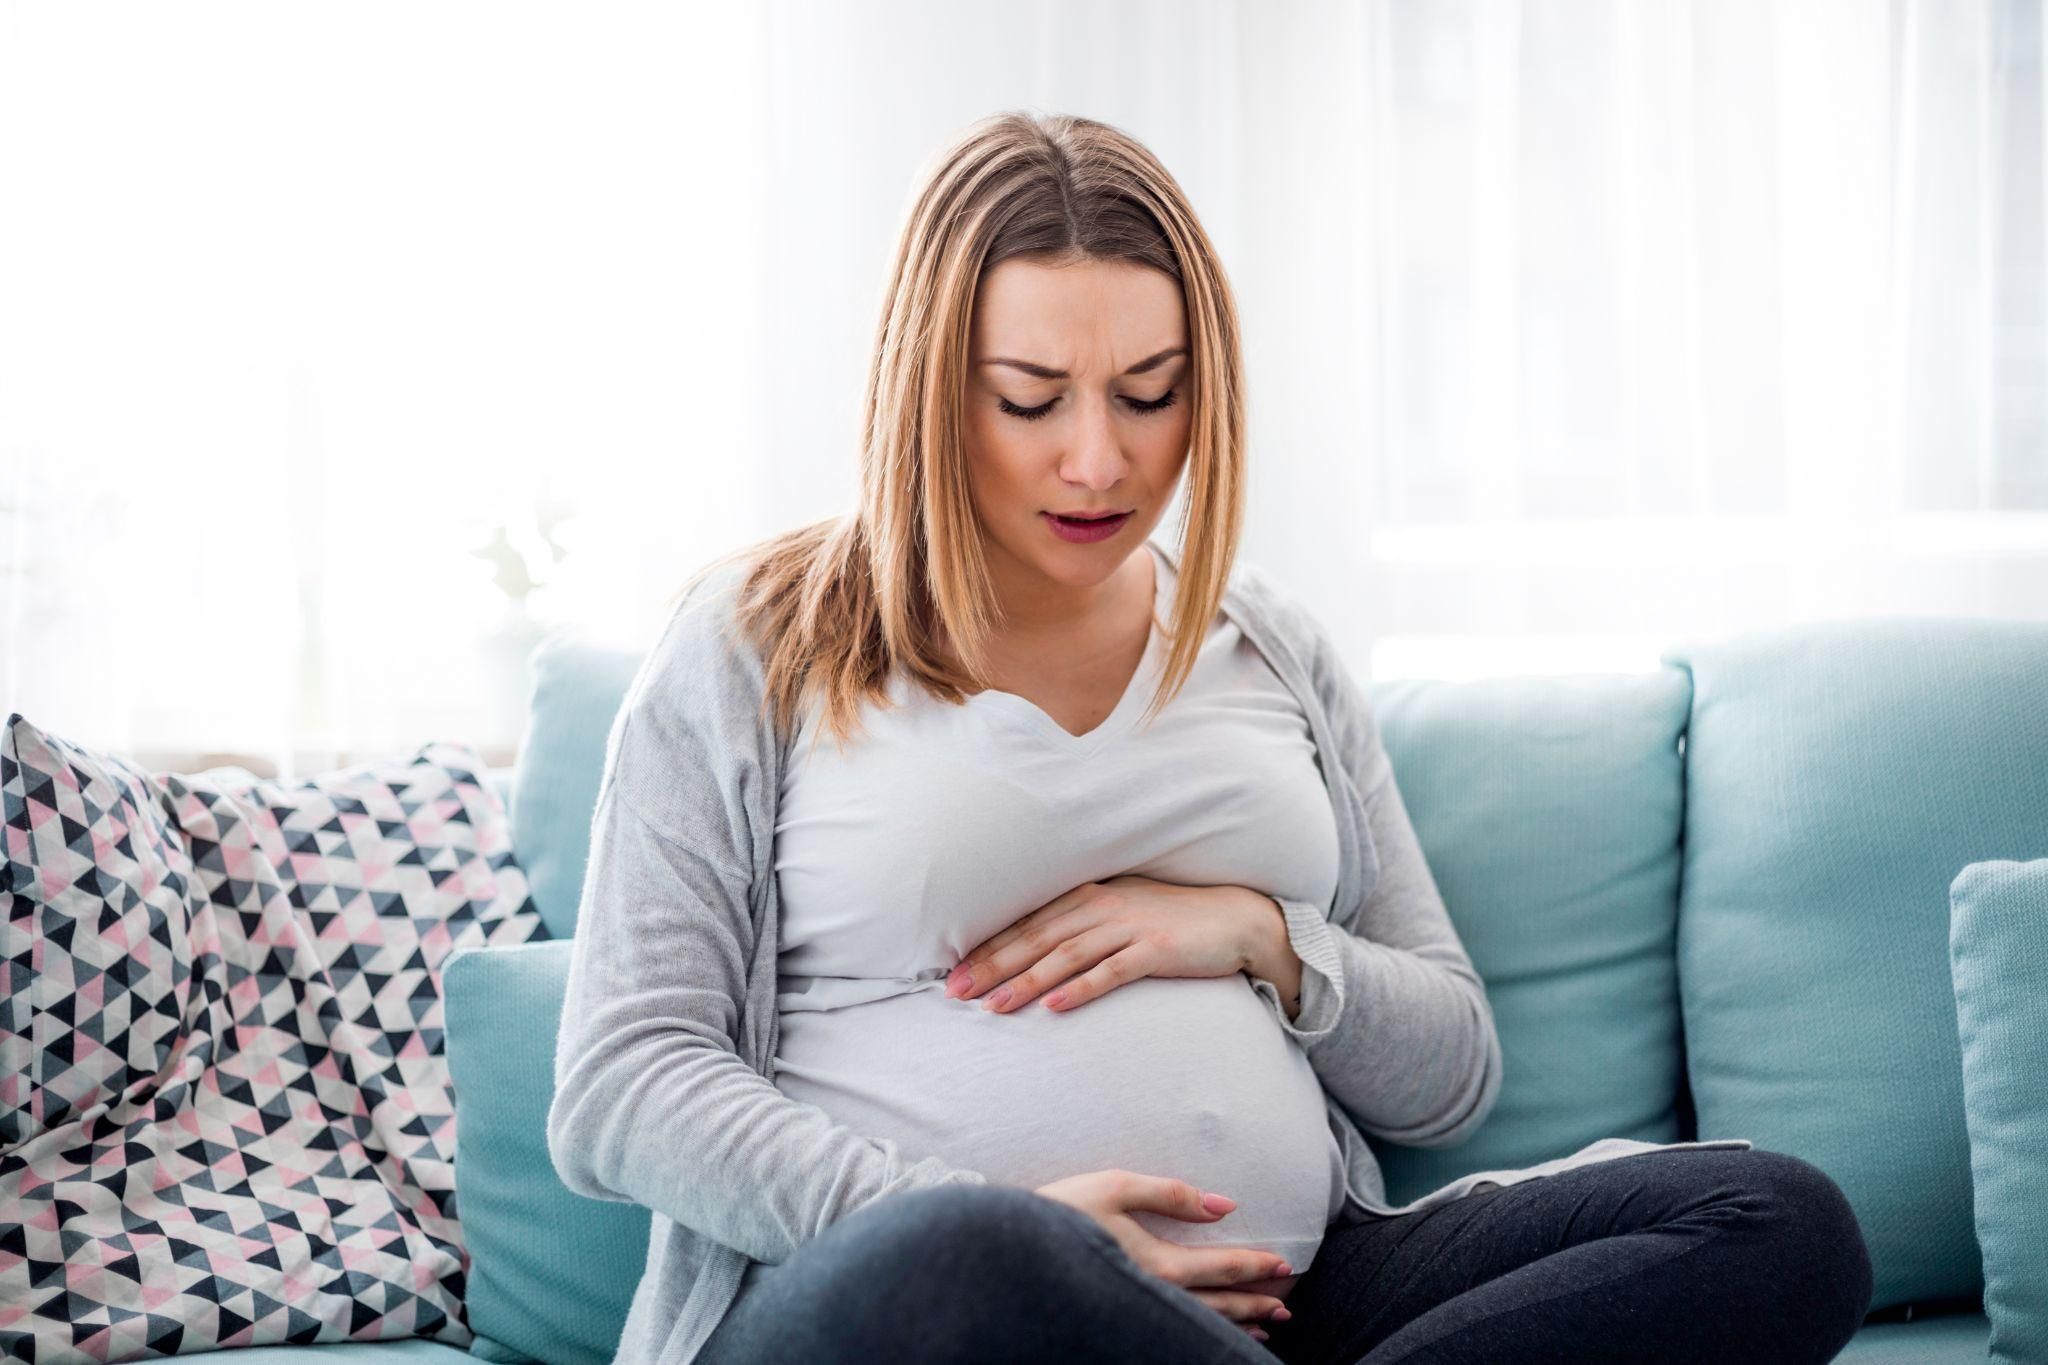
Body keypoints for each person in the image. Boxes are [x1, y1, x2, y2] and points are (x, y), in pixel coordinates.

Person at [547, 109, 1874, 1365]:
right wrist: (1016, 1226)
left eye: (1149, 392)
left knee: (1782, 1224)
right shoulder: (758, 639)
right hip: (923, 1300)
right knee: (968, 1254)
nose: (1098, 461)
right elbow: (622, 1082)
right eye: (1030, 399)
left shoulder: (1269, 644)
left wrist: (1261, 935)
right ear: (931, 390)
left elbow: (1449, 1072)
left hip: (1299, 1295)